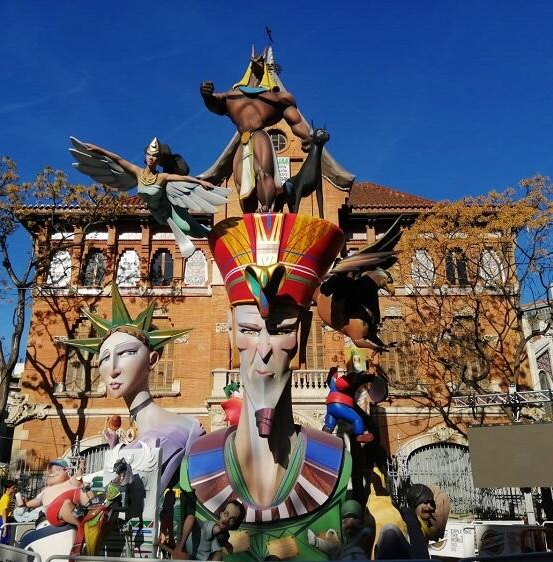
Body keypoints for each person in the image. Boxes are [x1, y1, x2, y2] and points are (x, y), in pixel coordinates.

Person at [181, 212, 347, 561]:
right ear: (231, 331)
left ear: (301, 337)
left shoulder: (337, 462)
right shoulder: (195, 464)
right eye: (249, 330)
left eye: (282, 329)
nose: (265, 349)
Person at [62, 285, 205, 493]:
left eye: (126, 353)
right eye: (103, 358)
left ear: (152, 360)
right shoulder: (165, 429)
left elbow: (130, 502)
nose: (112, 369)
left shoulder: (162, 438)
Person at [70, 137, 229, 258]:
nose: (151, 158)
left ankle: (220, 238)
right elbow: (118, 160)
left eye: (155, 156)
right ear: (146, 156)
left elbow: (183, 179)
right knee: (186, 228)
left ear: (158, 159)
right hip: (157, 213)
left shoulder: (162, 177)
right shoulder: (137, 173)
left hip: (168, 209)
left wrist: (200, 182)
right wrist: (100, 150)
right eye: (149, 155)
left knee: (189, 227)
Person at [200, 47, 312, 212]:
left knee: (263, 171)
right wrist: (206, 95)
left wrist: (307, 138)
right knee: (241, 182)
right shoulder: (232, 96)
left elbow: (295, 120)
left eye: (261, 61)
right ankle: (249, 218)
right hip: (243, 139)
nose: (257, 63)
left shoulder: (274, 98)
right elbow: (215, 104)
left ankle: (266, 208)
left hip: (259, 135)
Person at [164, 500, 246, 561]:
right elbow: (191, 518)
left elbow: (221, 543)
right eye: (226, 514)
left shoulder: (224, 536)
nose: (227, 519)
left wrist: (227, 545)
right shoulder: (208, 526)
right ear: (221, 514)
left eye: (232, 520)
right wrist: (180, 547)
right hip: (188, 554)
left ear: (235, 525)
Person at [374, 484, 436, 560]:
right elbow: (421, 554)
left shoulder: (422, 524)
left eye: (431, 503)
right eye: (425, 503)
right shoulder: (410, 518)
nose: (429, 506)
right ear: (415, 503)